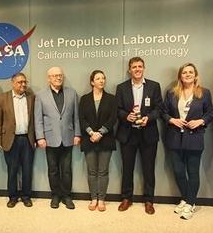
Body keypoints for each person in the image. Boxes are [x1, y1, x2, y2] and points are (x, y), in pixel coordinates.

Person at [161, 63, 213, 220]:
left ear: (196, 75)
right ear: (180, 76)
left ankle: (190, 204)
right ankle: (186, 198)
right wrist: (171, 120)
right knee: (178, 171)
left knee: (192, 172)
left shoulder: (204, 93)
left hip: (194, 137)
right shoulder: (172, 93)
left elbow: (211, 113)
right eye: (185, 72)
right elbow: (163, 112)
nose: (188, 74)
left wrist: (201, 121)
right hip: (174, 136)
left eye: (191, 72)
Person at [114, 57, 163, 214]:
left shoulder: (154, 86)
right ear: (129, 70)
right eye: (134, 67)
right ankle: (126, 198)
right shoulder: (121, 88)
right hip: (128, 134)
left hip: (148, 133)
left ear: (144, 68)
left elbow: (159, 108)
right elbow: (118, 109)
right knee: (127, 168)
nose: (137, 69)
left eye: (140, 66)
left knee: (148, 169)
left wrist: (149, 118)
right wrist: (125, 116)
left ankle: (149, 200)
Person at [35, 66, 81, 209]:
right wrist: (40, 137)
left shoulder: (72, 93)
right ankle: (55, 195)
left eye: (60, 75)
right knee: (53, 169)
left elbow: (76, 117)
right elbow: (38, 119)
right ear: (48, 78)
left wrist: (77, 134)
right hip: (49, 139)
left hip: (68, 137)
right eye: (54, 76)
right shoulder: (41, 95)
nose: (58, 78)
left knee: (67, 169)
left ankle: (67, 196)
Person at [0, 73, 36, 208]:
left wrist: (36, 138)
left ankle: (26, 196)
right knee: (12, 170)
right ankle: (12, 197)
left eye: (25, 82)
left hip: (27, 139)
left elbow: (35, 120)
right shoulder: (2, 98)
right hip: (9, 139)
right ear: (12, 83)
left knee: (27, 169)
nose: (23, 84)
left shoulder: (31, 98)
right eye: (19, 82)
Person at [78, 70, 117, 211]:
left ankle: (101, 199)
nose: (101, 80)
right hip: (89, 139)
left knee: (103, 171)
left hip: (105, 139)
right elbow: (81, 119)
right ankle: (93, 198)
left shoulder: (111, 99)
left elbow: (113, 118)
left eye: (103, 78)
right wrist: (90, 132)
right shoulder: (84, 99)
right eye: (98, 78)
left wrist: (100, 133)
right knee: (92, 171)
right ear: (92, 82)